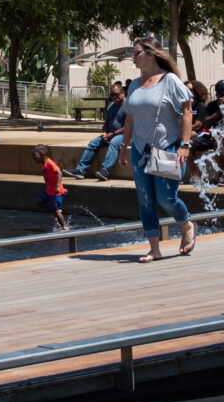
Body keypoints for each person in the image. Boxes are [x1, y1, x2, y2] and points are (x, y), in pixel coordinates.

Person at [116, 38, 195, 263]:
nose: (133, 56)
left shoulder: (169, 80)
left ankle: (187, 224)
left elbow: (187, 111)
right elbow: (130, 117)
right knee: (146, 200)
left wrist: (185, 145)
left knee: (166, 198)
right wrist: (124, 145)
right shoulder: (135, 85)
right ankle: (154, 249)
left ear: (151, 54)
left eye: (137, 52)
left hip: (168, 147)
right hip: (140, 150)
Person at [65, 82, 126, 180]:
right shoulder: (111, 106)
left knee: (114, 142)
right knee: (94, 142)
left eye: (116, 94)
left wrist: (113, 134)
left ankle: (105, 171)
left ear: (123, 93)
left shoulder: (130, 106)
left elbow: (129, 126)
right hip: (111, 134)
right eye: (112, 95)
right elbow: (106, 123)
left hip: (126, 135)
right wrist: (105, 133)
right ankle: (80, 170)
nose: (114, 97)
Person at [34, 144, 68, 230]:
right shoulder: (44, 163)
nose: (34, 158)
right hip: (49, 190)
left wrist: (58, 187)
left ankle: (65, 228)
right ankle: (55, 211)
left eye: (35, 156)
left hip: (55, 192)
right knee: (39, 202)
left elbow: (59, 173)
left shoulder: (50, 163)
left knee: (56, 211)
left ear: (42, 155)